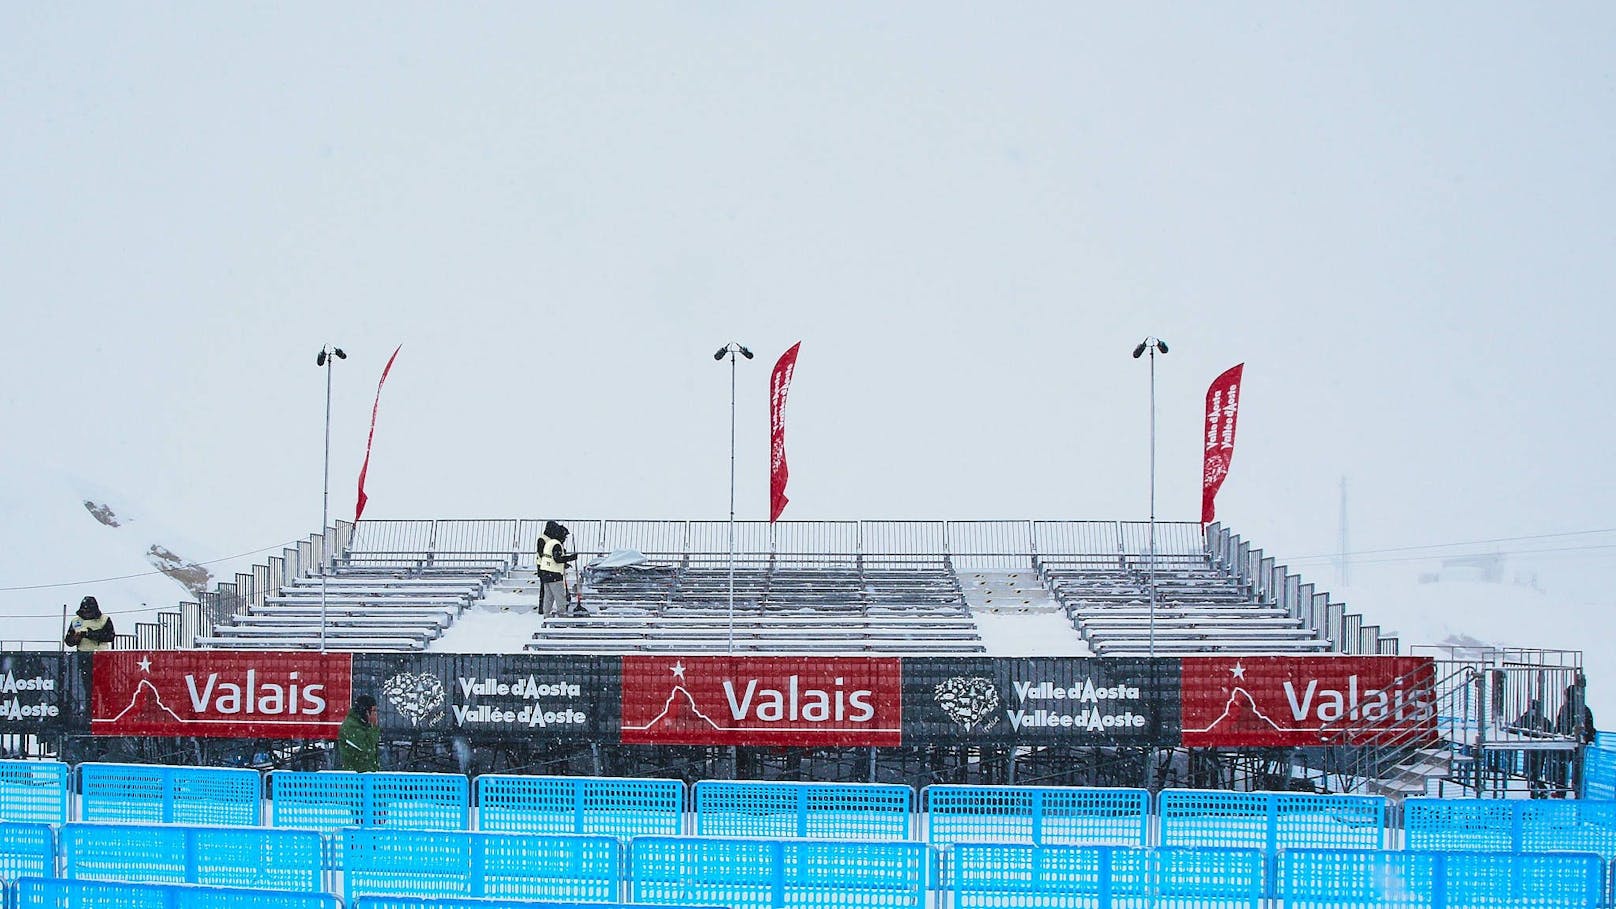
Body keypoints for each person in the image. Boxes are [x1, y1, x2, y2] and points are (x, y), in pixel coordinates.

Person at [536, 520, 580, 617]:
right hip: (552, 572)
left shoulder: (551, 542)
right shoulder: (550, 542)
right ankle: (561, 615)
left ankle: (546, 614)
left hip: (547, 571)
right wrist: (570, 558)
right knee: (558, 596)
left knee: (549, 596)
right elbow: (555, 558)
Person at [338, 694, 381, 772]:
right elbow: (367, 748)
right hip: (354, 779)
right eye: (374, 711)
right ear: (365, 711)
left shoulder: (364, 725)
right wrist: (373, 727)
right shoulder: (350, 727)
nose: (375, 714)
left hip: (367, 776)